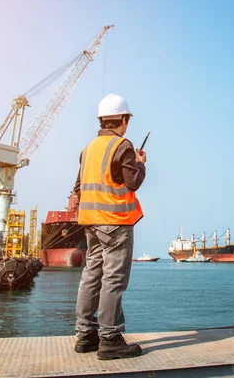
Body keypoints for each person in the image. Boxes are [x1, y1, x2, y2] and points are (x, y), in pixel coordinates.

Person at [73, 93, 147, 360]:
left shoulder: (88, 149)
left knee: (91, 276)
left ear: (102, 121)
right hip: (115, 224)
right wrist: (140, 163)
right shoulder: (122, 146)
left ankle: (85, 334)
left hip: (91, 224)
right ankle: (110, 338)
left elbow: (78, 187)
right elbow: (133, 182)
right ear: (124, 121)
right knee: (114, 280)